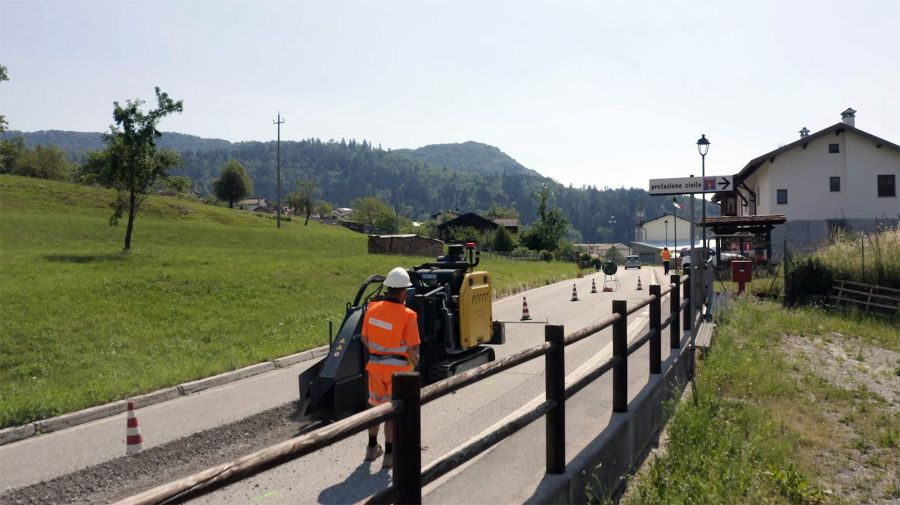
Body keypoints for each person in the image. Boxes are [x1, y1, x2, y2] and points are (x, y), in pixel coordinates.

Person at [360, 266, 421, 470]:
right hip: (398, 373)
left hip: (375, 368)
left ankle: (370, 448)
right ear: (403, 291)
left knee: (376, 408)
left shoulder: (372, 309)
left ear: (387, 289)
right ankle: (389, 455)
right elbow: (413, 350)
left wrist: (380, 352)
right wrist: (415, 363)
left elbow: (364, 338)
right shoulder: (408, 315)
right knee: (392, 412)